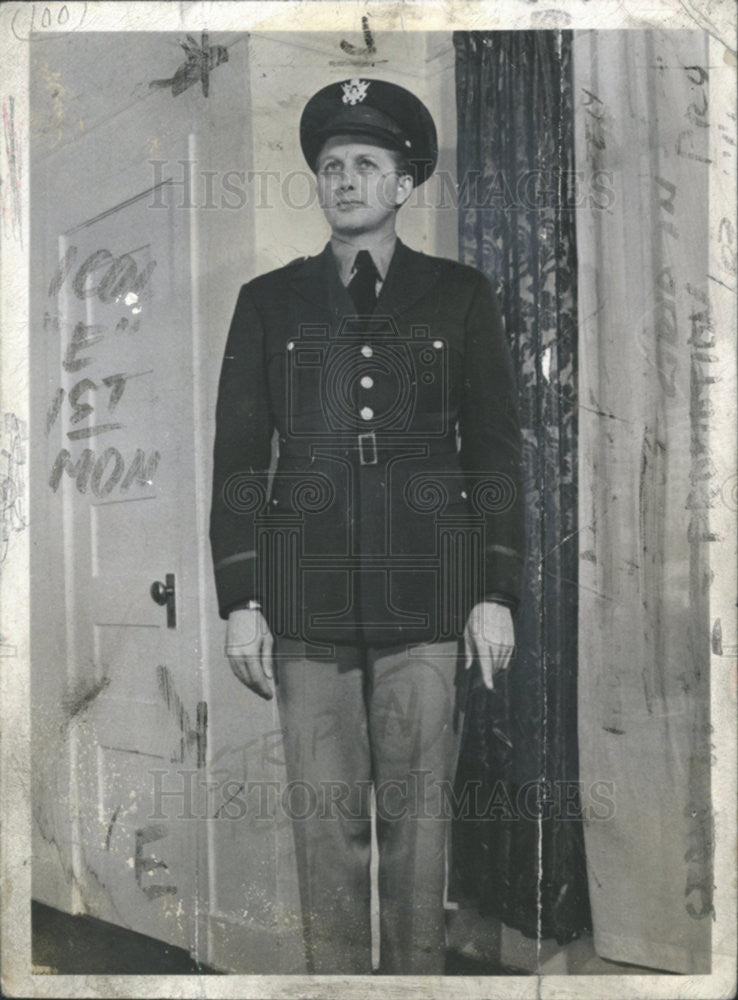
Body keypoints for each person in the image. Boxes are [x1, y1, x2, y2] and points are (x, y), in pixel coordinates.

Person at [209, 77, 524, 975]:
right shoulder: (268, 302)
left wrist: (495, 591)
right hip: (304, 612)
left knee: (420, 836)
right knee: (327, 835)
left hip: (429, 603)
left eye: (366, 164)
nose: (345, 178)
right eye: (331, 164)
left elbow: (496, 456)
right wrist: (243, 598)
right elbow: (239, 463)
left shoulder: (459, 296)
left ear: (402, 184)